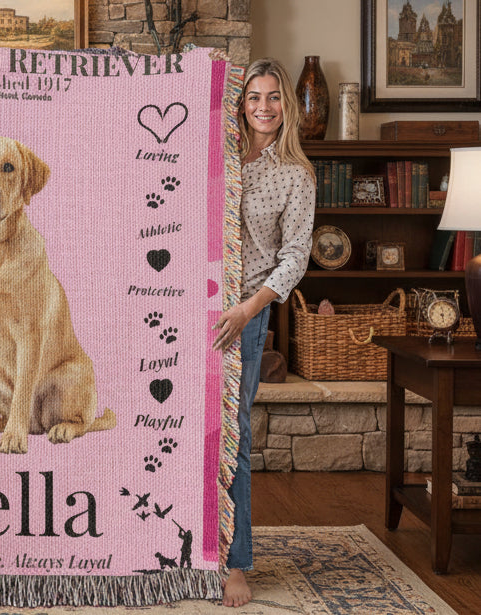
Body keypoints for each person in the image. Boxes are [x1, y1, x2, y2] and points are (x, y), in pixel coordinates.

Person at [213, 57, 315, 607]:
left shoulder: (296, 174)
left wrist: (248, 311)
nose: (264, 108)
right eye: (254, 97)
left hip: (244, 320)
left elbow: (294, 258)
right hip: (192, 310)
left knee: (236, 439)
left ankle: (236, 563)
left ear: (287, 106)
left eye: (274, 97)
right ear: (240, 102)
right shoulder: (218, 155)